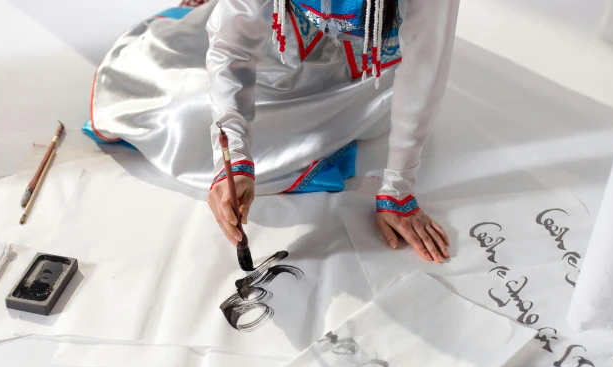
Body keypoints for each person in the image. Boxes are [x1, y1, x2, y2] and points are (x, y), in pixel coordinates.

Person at [86, 0, 459, 262]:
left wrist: (397, 188)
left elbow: (424, 65)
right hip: (281, 36)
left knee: (382, 112)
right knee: (180, 111)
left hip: (369, 58)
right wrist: (233, 156)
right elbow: (232, 49)